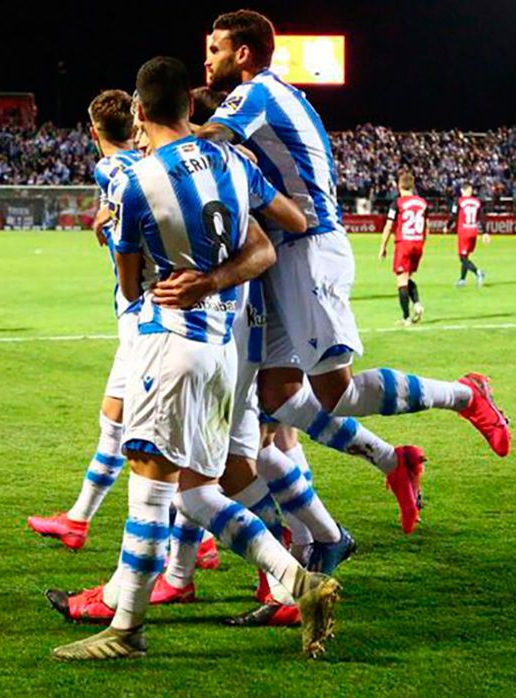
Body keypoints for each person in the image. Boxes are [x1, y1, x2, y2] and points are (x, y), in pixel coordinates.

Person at [50, 56, 340, 662]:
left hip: (169, 345)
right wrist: (216, 276)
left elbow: (132, 288)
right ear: (189, 105)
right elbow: (278, 230)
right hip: (222, 350)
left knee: (151, 491)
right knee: (197, 495)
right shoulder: (237, 162)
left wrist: (164, 261)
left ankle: (125, 630)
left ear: (139, 110)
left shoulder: (132, 184)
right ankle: (299, 581)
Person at [196, 10, 469, 539]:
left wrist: (154, 150)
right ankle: (329, 525)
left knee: (332, 396)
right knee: (274, 401)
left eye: (214, 49)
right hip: (286, 254)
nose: (207, 60)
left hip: (308, 246)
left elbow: (208, 141)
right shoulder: (276, 98)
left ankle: (463, 396)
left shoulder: (255, 94)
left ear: (243, 53)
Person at [27, 89, 148, 550]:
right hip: (137, 317)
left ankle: (195, 540)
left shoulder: (110, 168)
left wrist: (114, 224)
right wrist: (110, 213)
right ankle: (78, 519)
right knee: (115, 421)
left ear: (94, 132)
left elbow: (131, 239)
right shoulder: (142, 163)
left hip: (144, 316)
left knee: (150, 437)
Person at [379, 172, 428, 325]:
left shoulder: (397, 203)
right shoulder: (423, 203)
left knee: (401, 281)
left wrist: (383, 246)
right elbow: (427, 226)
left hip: (404, 243)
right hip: (418, 242)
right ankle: (417, 304)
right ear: (412, 185)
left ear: (399, 186)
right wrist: (422, 242)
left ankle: (406, 317)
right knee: (407, 278)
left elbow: (388, 226)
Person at [448, 182, 490, 287]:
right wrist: (485, 232)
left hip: (464, 232)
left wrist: (447, 226)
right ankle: (462, 279)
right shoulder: (477, 202)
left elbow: (453, 215)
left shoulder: (458, 201)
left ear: (462, 191)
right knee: (466, 256)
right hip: (473, 231)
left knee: (462, 258)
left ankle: (478, 272)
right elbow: (481, 217)